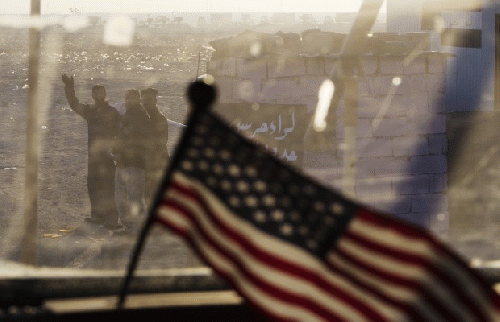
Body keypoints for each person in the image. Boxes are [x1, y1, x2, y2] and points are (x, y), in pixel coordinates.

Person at [61, 74, 123, 230]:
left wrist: (117, 151)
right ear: (93, 95)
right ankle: (97, 215)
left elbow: (120, 133)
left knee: (109, 187)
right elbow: (74, 104)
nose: (99, 95)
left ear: (105, 94)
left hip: (108, 156)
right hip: (94, 157)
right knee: (93, 185)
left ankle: (112, 218)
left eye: (102, 92)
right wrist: (69, 87)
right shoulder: (90, 111)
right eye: (96, 93)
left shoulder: (113, 112)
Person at [114, 89, 152, 233]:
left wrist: (121, 154)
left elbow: (135, 142)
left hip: (135, 164)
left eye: (133, 98)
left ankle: (137, 230)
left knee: (135, 199)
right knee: (121, 199)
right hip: (122, 163)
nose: (129, 101)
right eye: (127, 98)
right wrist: (116, 152)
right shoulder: (125, 117)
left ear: (139, 100)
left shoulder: (142, 118)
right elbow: (119, 137)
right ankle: (129, 227)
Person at [141, 88, 169, 206]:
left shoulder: (159, 118)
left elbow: (162, 141)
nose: (147, 102)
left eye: (149, 99)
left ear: (155, 101)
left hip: (157, 160)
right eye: (144, 99)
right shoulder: (141, 116)